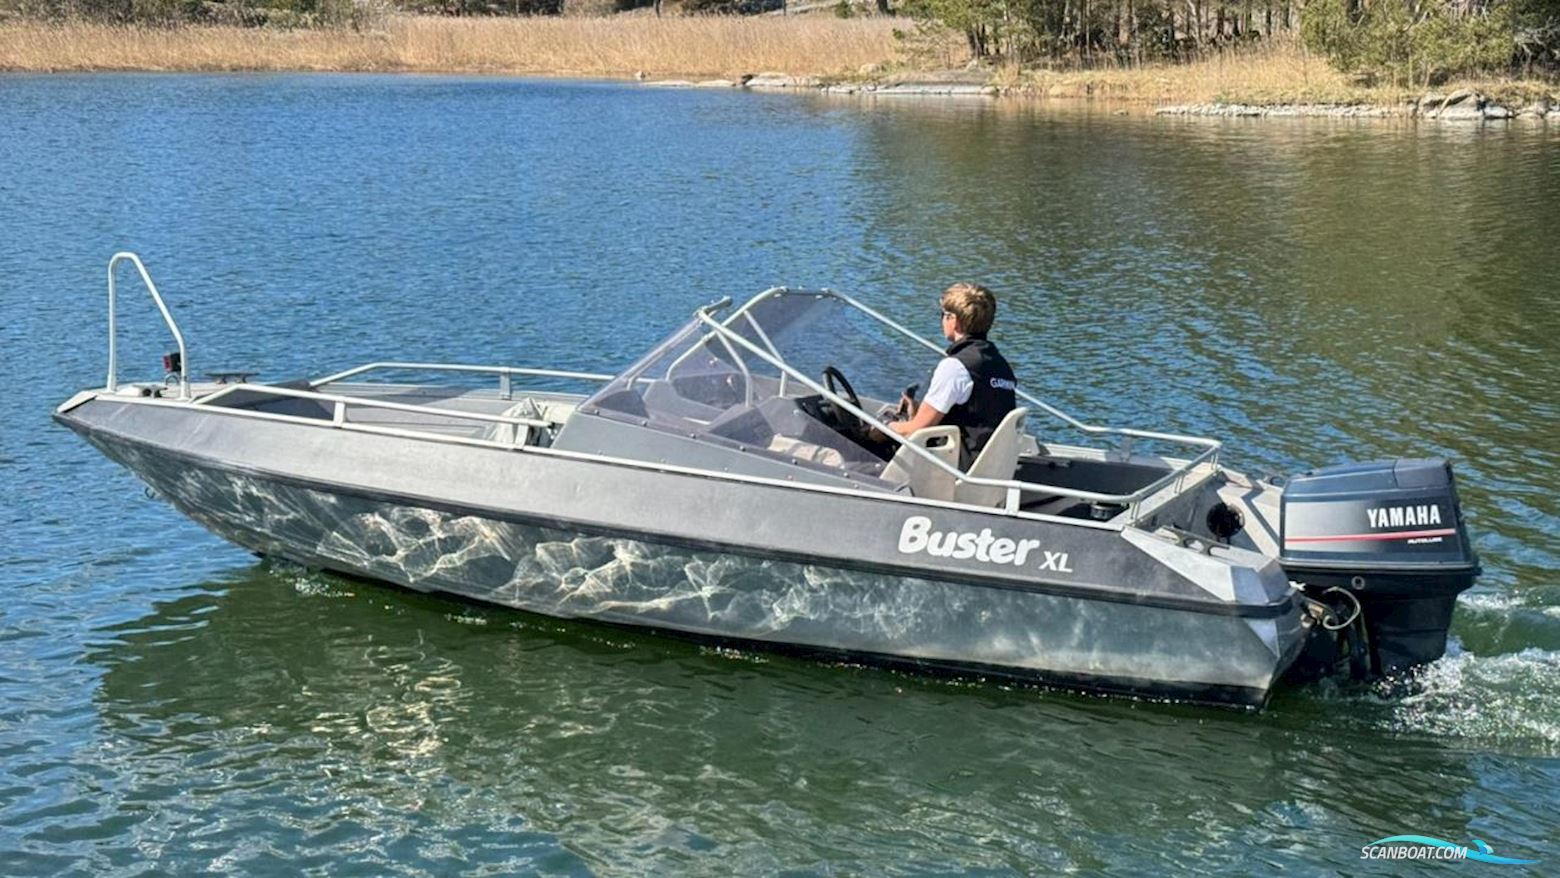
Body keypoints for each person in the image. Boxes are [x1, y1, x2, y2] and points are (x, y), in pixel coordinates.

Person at [888, 282, 1018, 469]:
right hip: (990, 465)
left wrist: (886, 426)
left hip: (955, 467)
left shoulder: (956, 367)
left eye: (943, 315)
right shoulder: (998, 363)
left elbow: (917, 429)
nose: (942, 320)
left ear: (953, 320)